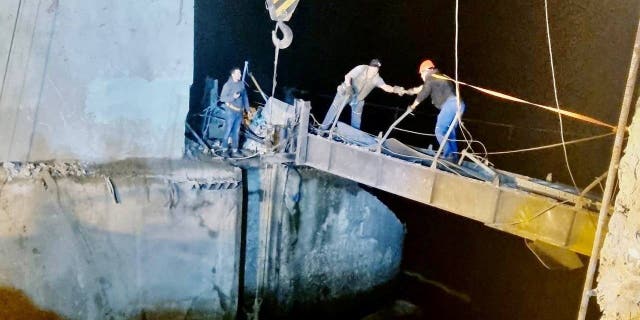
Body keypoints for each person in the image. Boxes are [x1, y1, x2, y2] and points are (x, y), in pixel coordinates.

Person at [320, 59, 405, 131]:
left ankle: (354, 138)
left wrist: (395, 89)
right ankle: (322, 130)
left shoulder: (377, 79)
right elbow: (347, 76)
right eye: (373, 70)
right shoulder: (361, 68)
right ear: (369, 67)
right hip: (347, 92)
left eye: (376, 70)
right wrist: (349, 87)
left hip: (358, 99)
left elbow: (386, 87)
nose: (374, 72)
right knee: (334, 109)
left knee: (357, 117)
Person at [406, 59, 466, 160]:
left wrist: (413, 106)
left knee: (440, 129)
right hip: (460, 105)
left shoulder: (430, 78)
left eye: (421, 74)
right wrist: (409, 91)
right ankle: (454, 157)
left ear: (425, 71)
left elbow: (423, 93)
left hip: (451, 104)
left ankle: (448, 155)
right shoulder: (438, 76)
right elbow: (422, 88)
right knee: (449, 132)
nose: (421, 77)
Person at [219, 67, 250, 157]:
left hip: (239, 112)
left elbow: (245, 97)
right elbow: (222, 98)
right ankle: (224, 150)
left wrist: (247, 109)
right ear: (233, 75)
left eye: (240, 73)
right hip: (230, 112)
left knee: (236, 132)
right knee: (228, 130)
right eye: (238, 73)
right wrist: (233, 97)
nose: (240, 75)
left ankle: (235, 151)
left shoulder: (241, 84)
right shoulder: (227, 85)